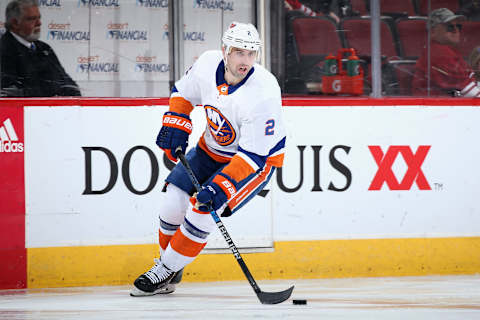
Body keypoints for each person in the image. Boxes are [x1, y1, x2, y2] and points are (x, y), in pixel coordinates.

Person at [130, 22, 287, 296]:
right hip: (208, 150)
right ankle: (171, 266)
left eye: (252, 54)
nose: (246, 61)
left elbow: (253, 156)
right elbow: (182, 93)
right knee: (171, 202)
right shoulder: (206, 64)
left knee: (202, 208)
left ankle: (164, 270)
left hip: (254, 164)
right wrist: (177, 122)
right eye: (239, 52)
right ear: (225, 50)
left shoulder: (264, 93)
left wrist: (220, 186)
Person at [0, 0, 81, 97]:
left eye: (39, 18)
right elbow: (10, 93)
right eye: (32, 19)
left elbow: (71, 87)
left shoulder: (44, 48)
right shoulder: (4, 49)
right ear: (15, 23)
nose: (39, 23)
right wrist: (53, 91)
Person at [412, 8, 480, 97]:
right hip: (432, 107)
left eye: (458, 26)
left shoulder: (448, 50)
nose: (456, 30)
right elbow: (471, 93)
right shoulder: (439, 53)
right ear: (433, 32)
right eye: (450, 27)